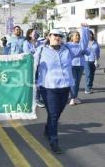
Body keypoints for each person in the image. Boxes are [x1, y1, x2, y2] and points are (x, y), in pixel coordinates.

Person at [35, 25, 89, 154]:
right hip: (48, 88)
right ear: (49, 37)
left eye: (59, 36)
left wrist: (85, 30)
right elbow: (31, 64)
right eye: (55, 35)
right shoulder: (41, 50)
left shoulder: (68, 49)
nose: (57, 38)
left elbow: (82, 47)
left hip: (65, 87)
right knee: (53, 115)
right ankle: (54, 141)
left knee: (57, 114)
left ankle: (48, 129)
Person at [23, 29, 44, 108]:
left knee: (39, 81)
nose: (36, 34)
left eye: (36, 33)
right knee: (31, 82)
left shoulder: (40, 42)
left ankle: (37, 98)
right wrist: (36, 50)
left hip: (40, 65)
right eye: (34, 33)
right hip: (30, 65)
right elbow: (27, 53)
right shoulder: (26, 43)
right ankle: (32, 98)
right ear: (29, 35)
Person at [68, 31, 89, 105]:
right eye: (76, 35)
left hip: (81, 65)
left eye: (78, 35)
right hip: (72, 65)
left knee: (77, 83)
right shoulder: (68, 45)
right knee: (74, 82)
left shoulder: (81, 45)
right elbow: (75, 53)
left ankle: (75, 97)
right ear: (71, 37)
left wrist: (85, 50)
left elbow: (88, 53)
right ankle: (72, 98)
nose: (78, 37)